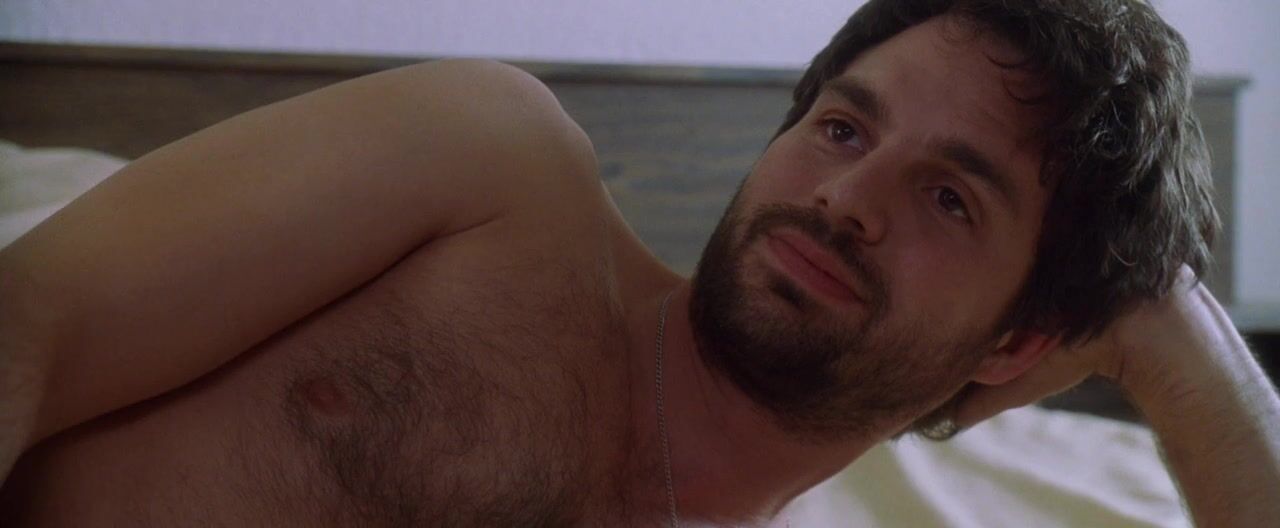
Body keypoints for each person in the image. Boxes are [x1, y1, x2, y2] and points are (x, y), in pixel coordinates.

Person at [1, 0, 1276, 525]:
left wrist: (1177, 347)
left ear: (1019, 343)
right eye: (842, 128)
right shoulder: (487, 166)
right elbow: (28, 321)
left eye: (948, 197)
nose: (843, 200)